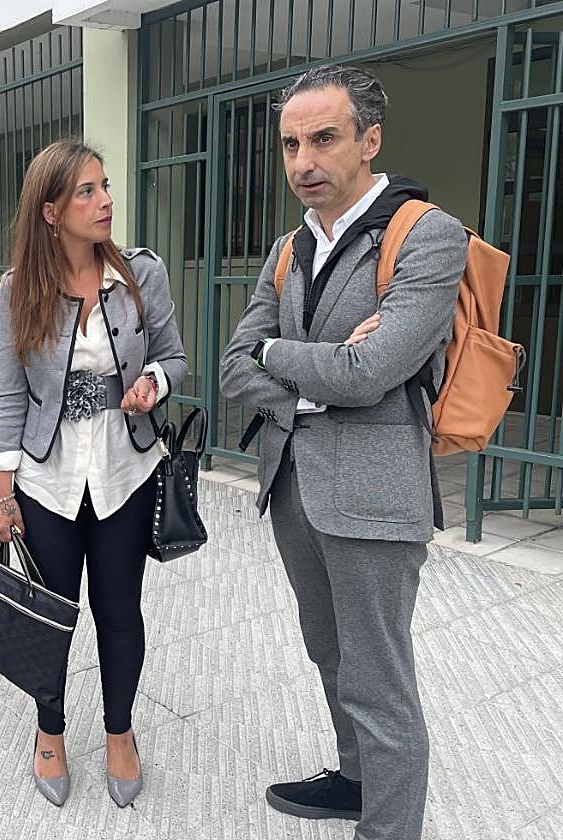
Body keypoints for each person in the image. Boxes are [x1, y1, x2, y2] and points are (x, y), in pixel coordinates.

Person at [219, 65, 468, 840]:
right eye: (291, 143)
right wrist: (313, 373)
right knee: (330, 654)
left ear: (370, 139)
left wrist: (280, 355)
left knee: (379, 679)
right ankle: (357, 781)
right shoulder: (290, 248)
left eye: (323, 139)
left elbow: (374, 371)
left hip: (373, 495)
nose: (303, 161)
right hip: (294, 485)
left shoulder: (427, 234)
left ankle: (389, 829)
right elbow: (233, 363)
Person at [0, 139, 188, 808]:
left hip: (124, 470)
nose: (105, 202)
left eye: (105, 187)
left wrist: (154, 384)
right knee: (50, 615)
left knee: (118, 610)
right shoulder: (18, 290)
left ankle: (120, 732)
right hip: (47, 480)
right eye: (86, 191)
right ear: (50, 211)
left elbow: (173, 356)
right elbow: (11, 396)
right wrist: (2, 493)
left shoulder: (139, 274)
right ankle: (49, 730)